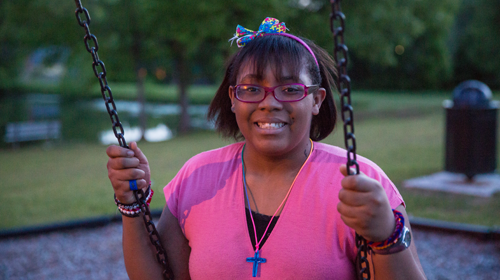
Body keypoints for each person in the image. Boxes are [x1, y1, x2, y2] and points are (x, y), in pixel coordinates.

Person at [106, 18, 426, 280]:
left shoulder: (361, 181)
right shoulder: (197, 177)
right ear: (233, 98)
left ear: (316, 100)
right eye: (251, 89)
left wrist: (386, 236)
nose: (269, 103)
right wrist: (131, 205)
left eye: (290, 89)